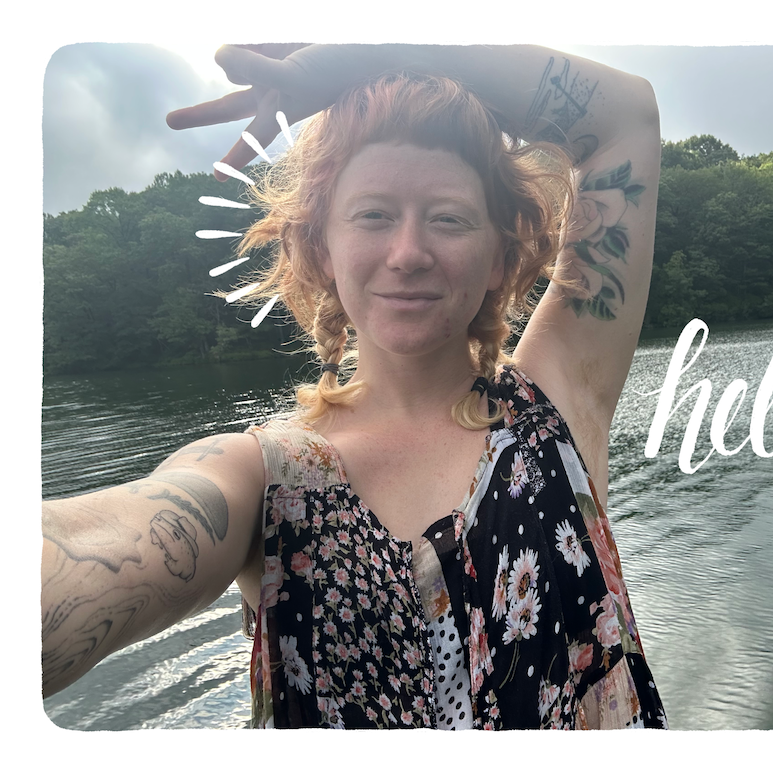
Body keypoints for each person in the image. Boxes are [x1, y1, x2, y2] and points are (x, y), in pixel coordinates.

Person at [41, 43, 664, 730]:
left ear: (499, 252)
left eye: (448, 217)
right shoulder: (268, 476)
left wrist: (358, 62)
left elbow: (623, 119)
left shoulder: (559, 400)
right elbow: (123, 537)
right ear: (322, 249)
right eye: (372, 215)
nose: (408, 252)